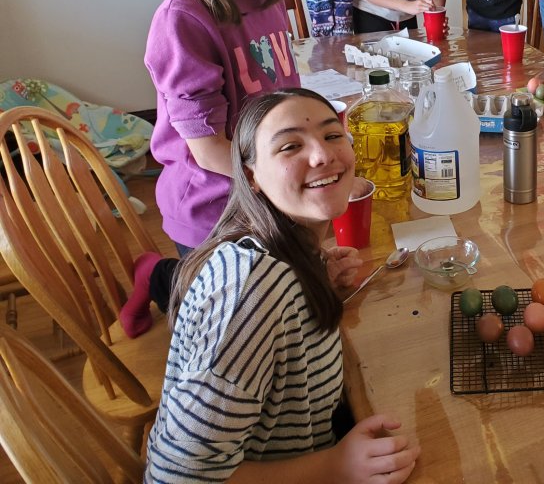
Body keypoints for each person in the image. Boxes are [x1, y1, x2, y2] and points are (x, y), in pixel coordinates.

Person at [144, 88, 420, 482]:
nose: (322, 155)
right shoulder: (254, 292)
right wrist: (335, 466)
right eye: (290, 146)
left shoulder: (290, 253)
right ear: (251, 176)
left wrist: (317, 288)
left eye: (332, 135)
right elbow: (175, 477)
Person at [145, 0, 299, 256]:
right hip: (215, 216)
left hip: (267, 194)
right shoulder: (182, 19)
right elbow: (209, 149)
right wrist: (290, 176)